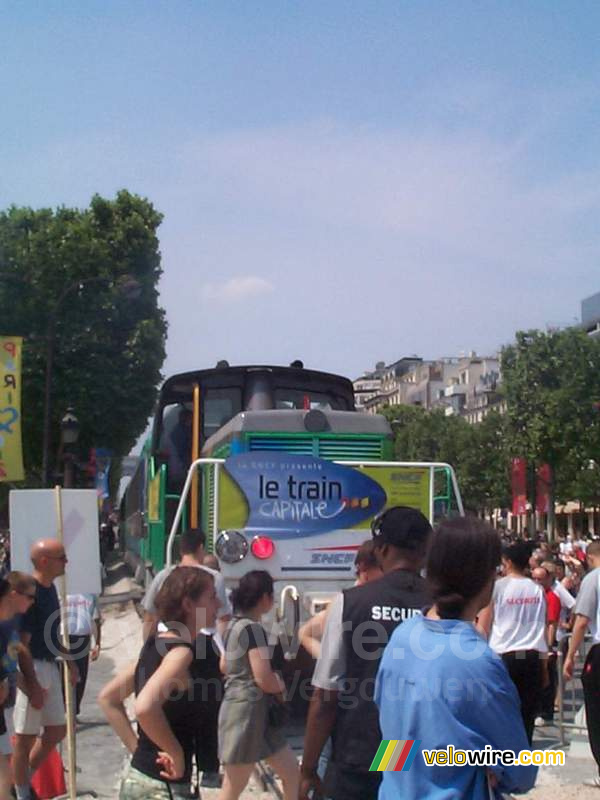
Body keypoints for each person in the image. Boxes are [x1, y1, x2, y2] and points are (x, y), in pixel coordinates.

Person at [375, 518, 537, 799]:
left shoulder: (403, 635)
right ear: (486, 577)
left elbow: (392, 728)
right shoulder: (477, 660)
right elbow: (520, 772)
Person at [300, 506, 432, 800]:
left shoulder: (351, 603)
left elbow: (325, 697)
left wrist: (308, 769)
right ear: (425, 550)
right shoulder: (442, 603)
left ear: (382, 549)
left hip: (362, 753)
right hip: (424, 758)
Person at [116, 566, 220, 799]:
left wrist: (139, 751)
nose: (219, 605)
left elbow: (109, 699)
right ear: (189, 605)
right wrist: (176, 754)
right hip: (163, 789)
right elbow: (144, 707)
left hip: (140, 778)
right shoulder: (181, 655)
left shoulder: (154, 645)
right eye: (212, 597)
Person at [142, 528, 231, 788]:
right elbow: (223, 620)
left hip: (168, 639)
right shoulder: (212, 578)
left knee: (180, 707)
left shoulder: (162, 575)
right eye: (212, 600)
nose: (215, 604)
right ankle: (207, 768)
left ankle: (187, 765)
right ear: (201, 548)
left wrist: (148, 650)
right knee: (205, 711)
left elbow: (149, 616)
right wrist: (222, 652)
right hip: (203, 647)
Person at [218, 570, 299, 800]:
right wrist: (281, 685)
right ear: (264, 598)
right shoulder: (254, 630)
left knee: (291, 770)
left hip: (251, 713)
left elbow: (224, 665)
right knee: (234, 785)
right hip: (247, 714)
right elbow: (263, 677)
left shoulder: (233, 626)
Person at [12, 540, 78, 800]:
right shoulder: (31, 591)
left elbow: (52, 633)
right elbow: (21, 643)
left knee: (56, 730)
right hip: (33, 666)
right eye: (61, 557)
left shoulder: (51, 591)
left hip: (50, 663)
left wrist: (69, 663)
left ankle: (23, 780)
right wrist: (31, 685)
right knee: (25, 735)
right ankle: (21, 791)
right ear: (44, 561)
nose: (66, 562)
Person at [478, 541, 548, 744]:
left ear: (507, 562)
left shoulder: (497, 588)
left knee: (500, 713)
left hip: (504, 656)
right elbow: (541, 629)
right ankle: (522, 757)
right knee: (527, 715)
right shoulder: (536, 590)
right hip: (532, 656)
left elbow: (484, 625)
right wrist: (544, 667)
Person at [298, 539, 383, 660]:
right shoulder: (344, 604)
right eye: (382, 567)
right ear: (364, 569)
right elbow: (305, 633)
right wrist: (328, 661)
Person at [563, 540, 600, 787]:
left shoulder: (593, 579)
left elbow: (582, 619)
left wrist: (570, 654)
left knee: (596, 715)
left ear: (588, 557)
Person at [0, 574, 37, 800]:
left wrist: (26, 685)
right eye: (30, 597)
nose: (33, 602)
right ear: (12, 594)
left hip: (3, 706)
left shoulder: (11, 623)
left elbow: (13, 656)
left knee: (5, 774)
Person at [64, 593, 102, 717]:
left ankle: (73, 712)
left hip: (82, 638)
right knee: (63, 675)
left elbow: (95, 619)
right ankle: (66, 711)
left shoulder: (90, 592)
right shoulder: (60, 588)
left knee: (80, 676)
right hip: (62, 638)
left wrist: (97, 643)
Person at [531, 566, 561, 725]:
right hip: (534, 644)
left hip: (546, 644)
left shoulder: (551, 597)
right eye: (534, 578)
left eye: (540, 579)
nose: (537, 582)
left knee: (547, 679)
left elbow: (551, 624)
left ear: (548, 579)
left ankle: (545, 712)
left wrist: (548, 647)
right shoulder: (535, 595)